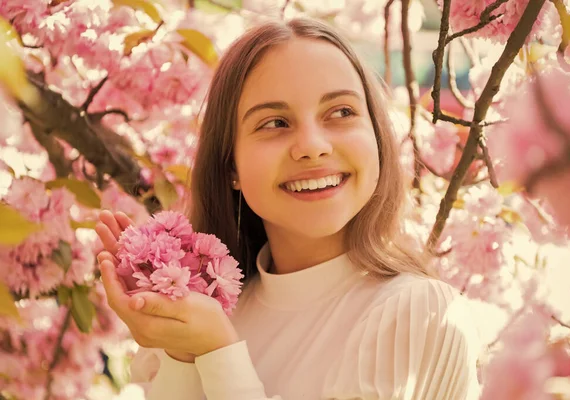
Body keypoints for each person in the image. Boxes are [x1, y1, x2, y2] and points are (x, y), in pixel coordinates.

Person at [95, 17, 481, 400]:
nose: (312, 146)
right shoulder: (210, 313)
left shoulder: (418, 313)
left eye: (341, 112)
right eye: (275, 122)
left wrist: (217, 352)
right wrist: (182, 349)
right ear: (232, 166)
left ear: (377, 137)